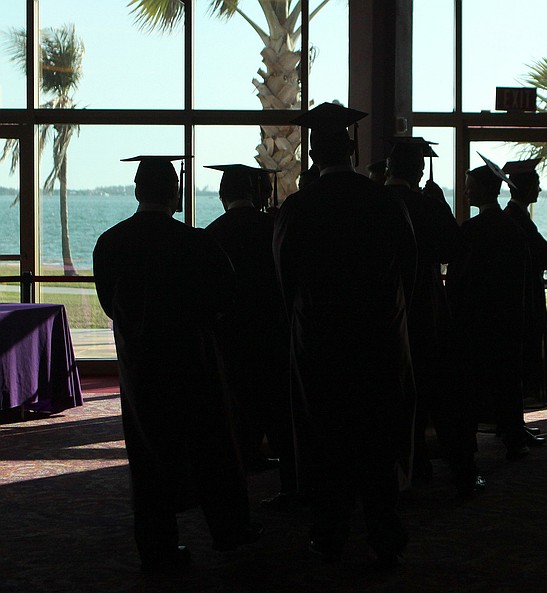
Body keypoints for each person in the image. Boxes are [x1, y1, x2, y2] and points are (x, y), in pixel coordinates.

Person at [93, 155, 261, 572]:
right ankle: (228, 531)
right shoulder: (196, 243)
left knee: (148, 457)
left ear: (136, 191)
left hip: (140, 368)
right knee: (211, 448)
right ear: (174, 192)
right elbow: (225, 298)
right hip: (193, 362)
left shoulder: (110, 243)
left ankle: (158, 547)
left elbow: (109, 306)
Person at [273, 103, 416, 568]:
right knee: (378, 435)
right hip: (377, 340)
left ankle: (329, 532)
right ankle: (385, 532)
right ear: (353, 149)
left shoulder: (298, 208)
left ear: (313, 152)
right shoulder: (383, 202)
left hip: (319, 343)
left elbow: (285, 279)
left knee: (324, 437)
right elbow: (409, 272)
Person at [382, 137, 482, 497]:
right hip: (425, 307)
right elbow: (454, 249)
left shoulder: (375, 203)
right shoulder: (425, 205)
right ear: (419, 170)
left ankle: (412, 462)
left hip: (383, 313)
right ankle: (461, 470)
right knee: (442, 392)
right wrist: (439, 204)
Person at [204, 164, 296, 509]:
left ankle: (235, 489)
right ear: (256, 195)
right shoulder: (273, 226)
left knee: (237, 413)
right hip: (274, 334)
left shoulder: (212, 234)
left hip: (232, 339)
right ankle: (292, 485)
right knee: (280, 414)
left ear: (222, 196)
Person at [446, 153, 530, 461]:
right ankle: (514, 439)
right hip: (506, 318)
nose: (466, 191)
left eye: (469, 186)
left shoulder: (470, 230)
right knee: (506, 382)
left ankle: (467, 444)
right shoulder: (513, 230)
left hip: (474, 320)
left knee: (470, 386)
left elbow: (457, 280)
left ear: (483, 190)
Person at [502, 158, 547, 445]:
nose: (539, 189)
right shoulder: (519, 219)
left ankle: (515, 422)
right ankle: (515, 424)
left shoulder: (511, 216)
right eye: (535, 184)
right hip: (524, 299)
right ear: (523, 188)